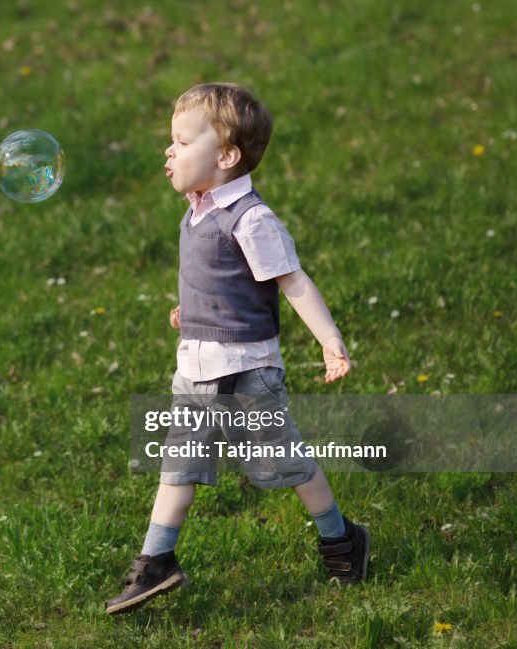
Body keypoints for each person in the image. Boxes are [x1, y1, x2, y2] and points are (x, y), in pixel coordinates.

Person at [105, 82, 370, 615]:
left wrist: (330, 341)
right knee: (178, 467)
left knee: (286, 464)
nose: (169, 151)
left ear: (226, 156)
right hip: (197, 368)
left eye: (181, 142)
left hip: (249, 371)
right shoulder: (196, 209)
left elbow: (291, 282)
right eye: (171, 141)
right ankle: (156, 562)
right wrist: (192, 313)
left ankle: (341, 539)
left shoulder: (251, 219)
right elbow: (216, 279)